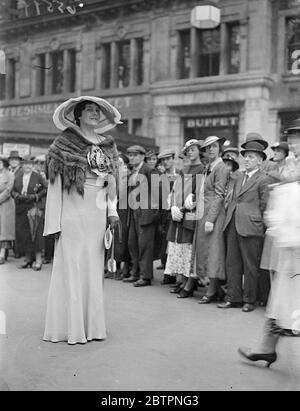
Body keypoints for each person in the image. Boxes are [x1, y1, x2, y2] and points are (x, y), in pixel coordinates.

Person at [43, 96, 121, 344]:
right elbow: (54, 184)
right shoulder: (63, 142)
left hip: (97, 212)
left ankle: (92, 327)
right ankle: (70, 328)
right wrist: (53, 222)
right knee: (73, 265)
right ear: (78, 115)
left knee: (93, 266)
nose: (94, 114)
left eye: (97, 110)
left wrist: (112, 211)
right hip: (73, 210)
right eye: (89, 109)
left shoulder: (108, 144)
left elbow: (112, 182)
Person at [238, 130, 300, 372]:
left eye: (297, 138)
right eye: (292, 138)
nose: (293, 143)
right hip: (292, 242)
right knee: (282, 299)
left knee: (289, 301)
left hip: (296, 241)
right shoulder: (291, 164)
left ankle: (267, 346)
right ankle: (266, 346)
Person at [218, 133, 271, 312]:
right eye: (245, 156)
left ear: (259, 161)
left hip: (251, 226)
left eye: (251, 157)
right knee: (231, 262)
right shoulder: (239, 176)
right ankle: (234, 298)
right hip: (233, 222)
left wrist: (261, 226)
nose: (246, 159)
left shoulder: (263, 179)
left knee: (250, 265)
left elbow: (265, 206)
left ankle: (250, 299)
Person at [184, 136, 229, 302]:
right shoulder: (208, 167)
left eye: (214, 147)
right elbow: (204, 190)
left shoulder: (221, 167)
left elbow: (219, 195)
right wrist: (195, 199)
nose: (211, 150)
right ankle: (214, 289)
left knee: (214, 251)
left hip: (213, 214)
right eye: (208, 147)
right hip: (203, 212)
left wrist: (211, 219)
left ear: (219, 149)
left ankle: (211, 291)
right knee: (204, 250)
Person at [165, 139, 204, 297]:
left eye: (193, 149)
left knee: (188, 247)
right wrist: (174, 206)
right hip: (178, 213)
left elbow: (198, 192)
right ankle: (181, 280)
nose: (190, 152)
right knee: (177, 246)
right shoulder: (183, 169)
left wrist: (185, 207)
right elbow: (175, 191)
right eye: (188, 150)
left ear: (199, 151)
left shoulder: (202, 169)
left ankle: (189, 282)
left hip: (190, 213)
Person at [123, 145, 160, 287]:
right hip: (134, 213)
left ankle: (145, 276)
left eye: (135, 155)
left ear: (142, 156)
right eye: (130, 155)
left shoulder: (150, 170)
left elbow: (158, 193)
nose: (131, 157)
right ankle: (135, 273)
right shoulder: (133, 172)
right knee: (132, 244)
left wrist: (153, 212)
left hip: (146, 213)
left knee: (145, 246)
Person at [12, 155, 47, 270]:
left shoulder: (38, 177)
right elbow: (12, 190)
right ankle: (27, 259)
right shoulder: (18, 176)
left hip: (34, 207)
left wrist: (36, 196)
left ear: (32, 165)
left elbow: (46, 189)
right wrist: (16, 195)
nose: (27, 166)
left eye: (29, 164)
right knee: (24, 234)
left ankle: (38, 260)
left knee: (35, 234)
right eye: (25, 164)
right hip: (21, 208)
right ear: (22, 165)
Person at [157, 149, 180, 280]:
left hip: (176, 213)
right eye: (163, 160)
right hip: (163, 214)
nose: (165, 162)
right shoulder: (160, 178)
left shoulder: (180, 175)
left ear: (173, 159)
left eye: (167, 159)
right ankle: (167, 273)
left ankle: (175, 274)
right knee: (164, 243)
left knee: (175, 243)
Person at [0, 157, 15, 264]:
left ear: (4, 164)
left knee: (4, 230)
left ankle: (2, 254)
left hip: (5, 205)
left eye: (0, 163)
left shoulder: (10, 175)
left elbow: (9, 190)